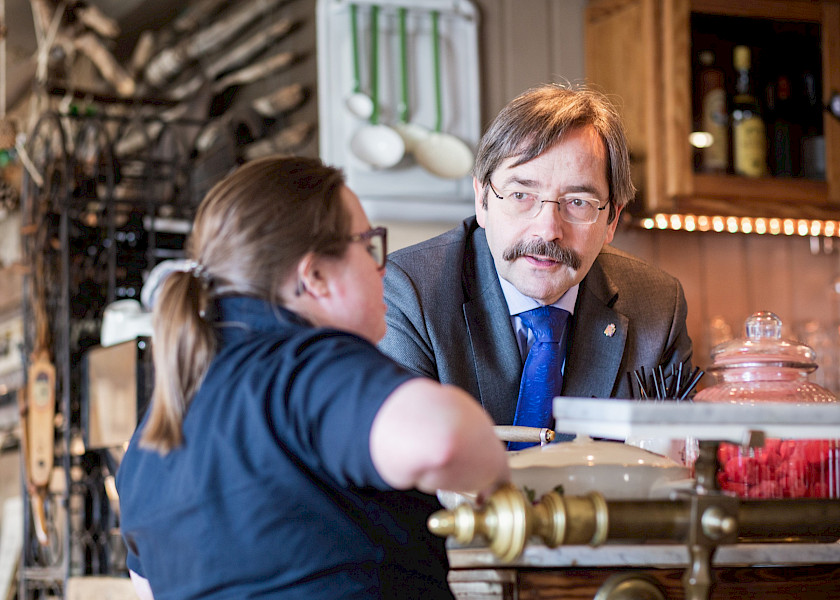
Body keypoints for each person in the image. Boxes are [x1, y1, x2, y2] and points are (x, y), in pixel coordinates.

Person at [115, 156, 510, 600]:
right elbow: (444, 438)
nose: (382, 267)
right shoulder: (303, 365)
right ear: (316, 275)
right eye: (368, 246)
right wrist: (500, 486)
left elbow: (146, 589)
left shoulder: (152, 435)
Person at [379, 84, 693, 436]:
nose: (547, 231)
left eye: (578, 202)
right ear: (482, 200)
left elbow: (676, 463)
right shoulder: (410, 292)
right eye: (521, 195)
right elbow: (405, 464)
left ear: (612, 220)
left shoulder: (657, 304)